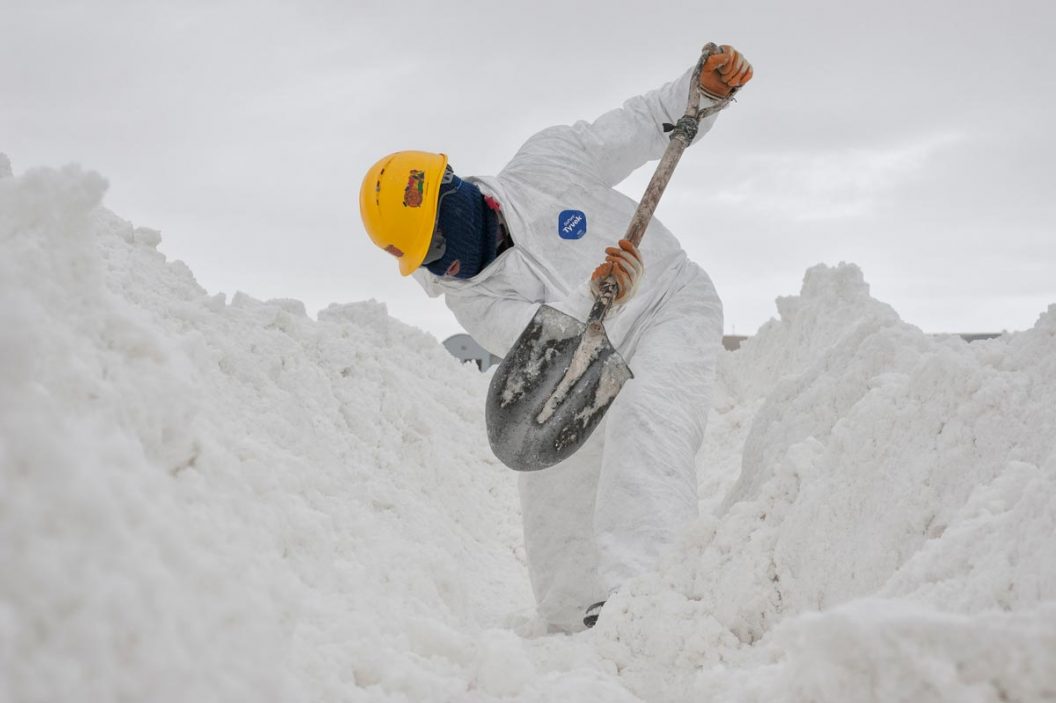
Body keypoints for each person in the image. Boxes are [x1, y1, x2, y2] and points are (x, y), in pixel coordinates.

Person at [359, 46, 753, 631]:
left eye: (436, 249)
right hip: (583, 360)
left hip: (670, 305)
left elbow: (645, 123)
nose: (438, 269)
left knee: (646, 423)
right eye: (425, 262)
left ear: (455, 205)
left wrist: (701, 91)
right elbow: (547, 345)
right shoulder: (474, 298)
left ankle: (649, 602)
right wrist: (596, 292)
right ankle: (575, 616)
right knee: (549, 465)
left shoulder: (546, 163)